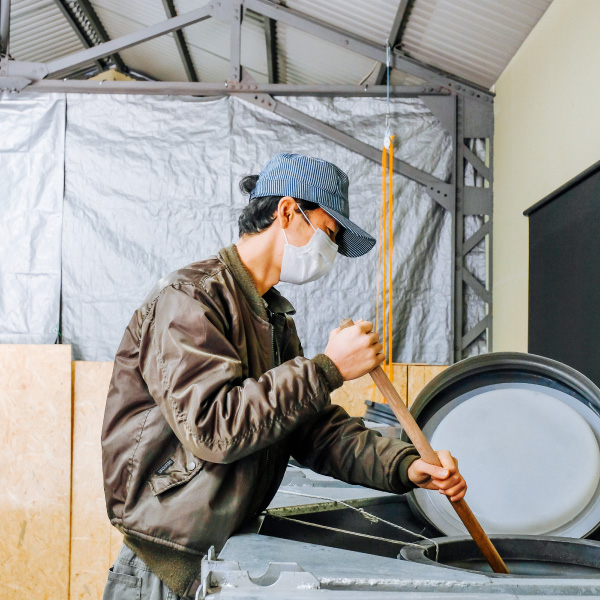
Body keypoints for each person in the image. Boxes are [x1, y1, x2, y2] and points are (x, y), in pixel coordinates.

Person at [101, 153, 466, 599]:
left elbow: (312, 430)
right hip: (166, 567)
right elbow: (213, 429)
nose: (330, 251)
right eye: (329, 233)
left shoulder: (272, 317)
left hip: (221, 556)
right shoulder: (190, 299)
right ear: (288, 211)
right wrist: (327, 369)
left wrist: (404, 465)